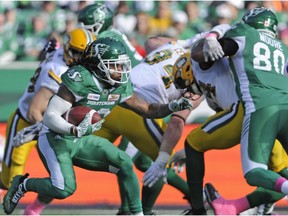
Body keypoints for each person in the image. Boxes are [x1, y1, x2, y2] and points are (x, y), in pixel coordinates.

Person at [2, 37, 193, 215]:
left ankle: (137, 213)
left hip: (82, 138)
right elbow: (51, 116)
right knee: (64, 188)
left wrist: (171, 107)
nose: (121, 70)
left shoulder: (119, 84)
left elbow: (147, 108)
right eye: (115, 65)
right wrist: (74, 129)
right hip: (56, 138)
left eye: (122, 64)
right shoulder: (80, 78)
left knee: (124, 163)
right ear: (99, 65)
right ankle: (23, 184)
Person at [77, 3, 207, 214]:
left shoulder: (171, 47)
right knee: (151, 163)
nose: (83, 29)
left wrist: (182, 42)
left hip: (123, 98)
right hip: (142, 108)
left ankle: (131, 209)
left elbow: (151, 42)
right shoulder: (200, 78)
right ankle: (142, 209)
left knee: (134, 161)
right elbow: (177, 120)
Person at [199, 6, 288, 215]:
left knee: (254, 171)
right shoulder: (283, 48)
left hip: (260, 106)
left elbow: (222, 32)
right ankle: (234, 208)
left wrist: (212, 36)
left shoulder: (245, 33)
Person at [1, 27, 96, 215]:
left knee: (60, 175)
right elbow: (34, 110)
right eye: (77, 53)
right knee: (7, 182)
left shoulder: (61, 53)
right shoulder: (59, 69)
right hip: (27, 123)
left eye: (84, 54)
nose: (80, 58)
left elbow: (54, 40)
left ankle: (34, 210)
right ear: (68, 49)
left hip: (53, 124)